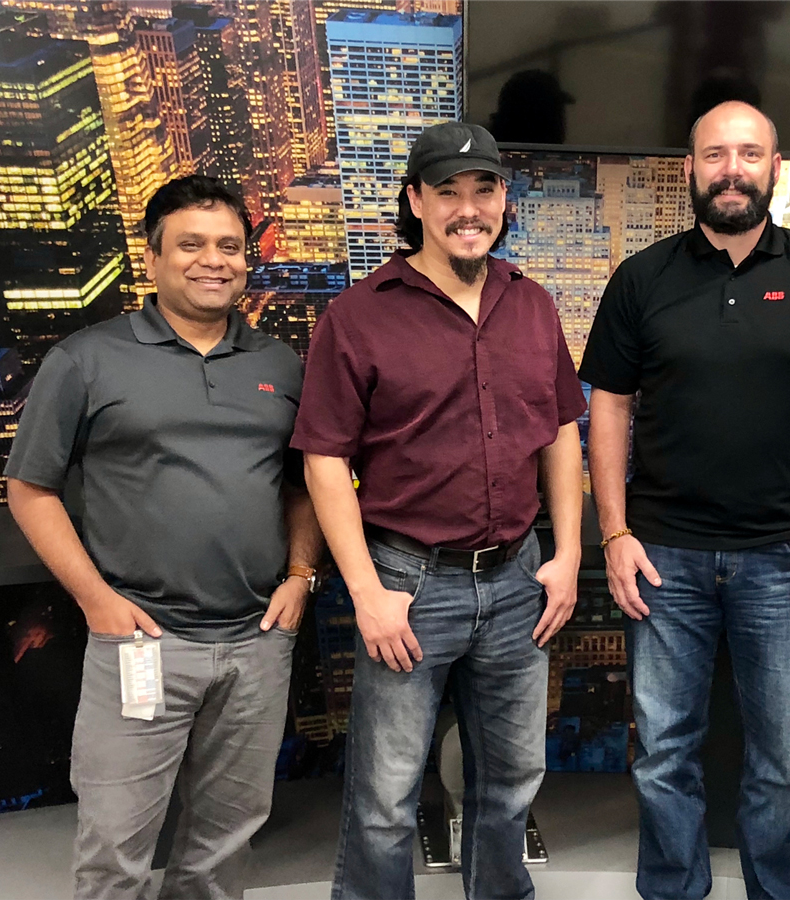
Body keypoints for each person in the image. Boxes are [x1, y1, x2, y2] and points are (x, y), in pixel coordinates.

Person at [579, 100, 790, 900]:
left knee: (782, 759)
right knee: (663, 754)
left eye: (749, 154)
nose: (731, 170)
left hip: (787, 562)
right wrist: (614, 532)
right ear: (690, 169)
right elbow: (608, 404)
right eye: (715, 154)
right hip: (662, 557)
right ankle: (672, 890)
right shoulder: (642, 277)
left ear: (774, 169)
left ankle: (779, 892)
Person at [5, 175, 324, 900]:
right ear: (152, 258)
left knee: (226, 840)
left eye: (229, 247)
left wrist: (300, 575)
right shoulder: (86, 359)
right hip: (141, 642)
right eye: (191, 245)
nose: (213, 261)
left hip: (256, 642)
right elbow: (30, 488)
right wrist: (96, 601)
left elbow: (303, 484)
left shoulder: (278, 363)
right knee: (116, 847)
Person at [292, 121, 586, 900]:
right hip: (408, 581)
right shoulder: (358, 315)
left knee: (514, 778)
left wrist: (567, 556)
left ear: (503, 200)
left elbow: (560, 431)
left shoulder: (532, 305)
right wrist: (366, 592)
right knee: (386, 796)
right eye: (447, 191)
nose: (467, 208)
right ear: (416, 201)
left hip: (519, 578)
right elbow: (324, 461)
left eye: (483, 190)